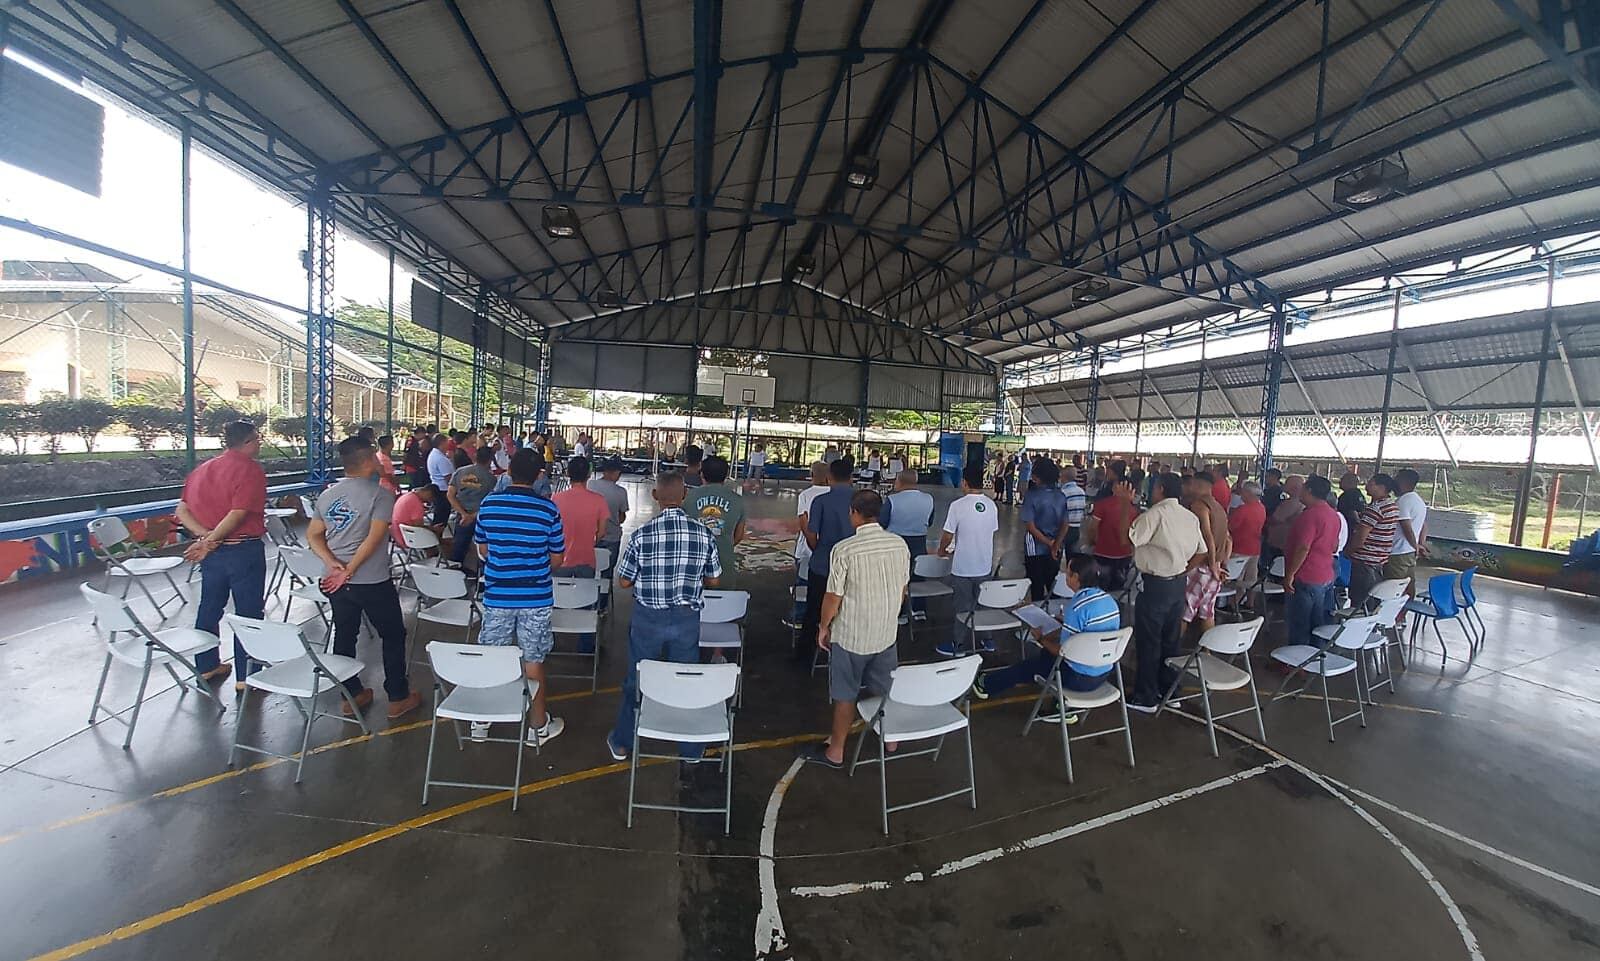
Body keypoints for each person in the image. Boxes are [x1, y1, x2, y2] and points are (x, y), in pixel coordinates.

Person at [606, 472, 722, 761]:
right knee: (685, 679)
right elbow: (714, 580)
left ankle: (623, 742)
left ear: (655, 497)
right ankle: (691, 747)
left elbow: (623, 582)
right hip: (686, 619)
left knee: (637, 678)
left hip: (648, 618)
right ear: (684, 497)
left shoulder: (642, 534)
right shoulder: (702, 533)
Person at [306, 436, 422, 719]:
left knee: (345, 634)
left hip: (334, 581)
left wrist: (334, 565)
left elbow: (313, 535)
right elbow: (373, 539)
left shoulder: (327, 494)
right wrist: (349, 569)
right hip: (371, 581)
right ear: (369, 459)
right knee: (392, 634)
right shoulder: (380, 494)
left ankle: (351, 694)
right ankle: (397, 696)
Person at [801, 490, 910, 768]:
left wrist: (823, 627)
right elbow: (902, 590)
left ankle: (836, 750)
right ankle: (890, 739)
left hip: (851, 636)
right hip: (886, 633)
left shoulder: (845, 549)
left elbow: (833, 597)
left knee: (845, 694)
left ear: (853, 513)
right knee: (883, 688)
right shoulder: (899, 545)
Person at [472, 448, 567, 744]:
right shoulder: (547, 510)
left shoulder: (489, 505)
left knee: (492, 658)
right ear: (540, 475)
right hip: (535, 597)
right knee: (533, 661)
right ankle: (537, 727)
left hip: (498, 595)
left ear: (508, 471)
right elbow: (558, 558)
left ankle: (481, 722)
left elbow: (484, 550)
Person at [176, 420, 268, 687]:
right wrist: (211, 539)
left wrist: (206, 539)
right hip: (242, 550)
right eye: (257, 438)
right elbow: (237, 513)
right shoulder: (250, 470)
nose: (260, 443)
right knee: (248, 613)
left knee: (209, 606)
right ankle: (248, 676)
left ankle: (207, 665)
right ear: (248, 442)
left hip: (213, 555)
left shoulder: (202, 469)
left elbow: (182, 510)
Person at [971, 555, 1121, 702]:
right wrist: (1064, 624)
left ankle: (986, 685)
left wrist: (1040, 639)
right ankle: (1063, 707)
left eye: (1066, 572)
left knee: (1027, 668)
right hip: (1103, 672)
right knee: (1045, 657)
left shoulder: (1077, 607)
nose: (1065, 575)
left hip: (1078, 678)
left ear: (1075, 577)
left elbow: (1062, 651)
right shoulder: (1109, 601)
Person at [1126, 473, 1207, 712]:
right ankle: (1171, 692)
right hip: (1177, 585)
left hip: (1156, 586)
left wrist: (1124, 504)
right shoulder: (1189, 516)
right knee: (1171, 641)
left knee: (1149, 641)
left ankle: (1146, 696)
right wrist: (1181, 569)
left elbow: (1129, 540)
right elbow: (1201, 551)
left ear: (1160, 489)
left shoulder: (1153, 515)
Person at [937, 464, 999, 657]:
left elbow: (948, 535)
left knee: (962, 607)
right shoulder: (991, 505)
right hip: (984, 565)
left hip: (963, 567)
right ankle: (987, 640)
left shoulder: (958, 506)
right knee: (983, 604)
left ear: (964, 482)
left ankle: (959, 644)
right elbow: (992, 532)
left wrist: (941, 550)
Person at [801, 459, 859, 654]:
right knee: (851, 610)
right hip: (855, 565)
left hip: (823, 564)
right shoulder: (862, 500)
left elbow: (811, 532)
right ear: (851, 478)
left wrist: (819, 550)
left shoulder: (821, 501)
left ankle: (806, 655)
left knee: (814, 611)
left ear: (829, 478)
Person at [1282, 475, 1343, 648]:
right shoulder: (1333, 515)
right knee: (1318, 621)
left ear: (1309, 491)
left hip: (1306, 575)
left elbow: (1303, 548)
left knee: (1299, 622)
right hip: (1325, 574)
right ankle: (1316, 655)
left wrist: (1290, 575)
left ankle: (1296, 662)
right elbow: (1334, 545)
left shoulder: (1309, 516)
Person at [1181, 471, 1232, 635]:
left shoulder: (1199, 506)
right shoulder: (1219, 508)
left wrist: (1211, 563)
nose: (1189, 488)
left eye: (1192, 484)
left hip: (1201, 566)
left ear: (1198, 485)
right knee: (1207, 613)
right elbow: (1229, 540)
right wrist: (1220, 563)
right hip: (1213, 569)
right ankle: (1207, 651)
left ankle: (1172, 652)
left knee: (1184, 613)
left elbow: (1206, 535)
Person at [686, 455, 747, 590]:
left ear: (702, 474)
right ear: (726, 476)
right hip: (724, 564)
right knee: (722, 604)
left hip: (692, 566)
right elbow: (739, 535)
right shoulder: (737, 500)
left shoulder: (688, 497)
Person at [882, 467, 935, 619]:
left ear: (899, 481)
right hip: (919, 542)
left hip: (896, 542)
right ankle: (919, 610)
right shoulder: (928, 499)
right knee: (918, 575)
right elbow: (930, 521)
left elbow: (883, 522)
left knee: (897, 578)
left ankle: (900, 612)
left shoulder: (892, 500)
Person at [1019, 459, 1070, 601]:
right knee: (1052, 582)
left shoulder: (1031, 496)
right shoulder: (1060, 496)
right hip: (1056, 548)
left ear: (1037, 477)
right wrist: (1056, 544)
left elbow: (1030, 526)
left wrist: (1048, 543)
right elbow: (1065, 523)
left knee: (1036, 584)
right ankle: (1052, 614)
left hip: (1034, 547)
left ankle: (1038, 616)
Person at [790, 462, 831, 631]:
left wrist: (812, 543)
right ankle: (825, 616)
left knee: (803, 583)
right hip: (828, 547)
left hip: (807, 546)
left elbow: (803, 522)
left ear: (811, 474)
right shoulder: (832, 494)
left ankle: (800, 616)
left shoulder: (806, 495)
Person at [1346, 473, 1399, 606]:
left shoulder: (1375, 508)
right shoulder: (1391, 505)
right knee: (1372, 597)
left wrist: (1349, 551)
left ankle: (1357, 624)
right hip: (1379, 560)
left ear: (1381, 487)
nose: (1367, 485)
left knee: (1360, 599)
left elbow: (1361, 537)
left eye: (1371, 483)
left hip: (1365, 561)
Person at [1083, 470, 1136, 591]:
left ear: (1116, 487)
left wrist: (1091, 543)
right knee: (1118, 588)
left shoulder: (1102, 505)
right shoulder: (1133, 509)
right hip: (1125, 554)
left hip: (1103, 553)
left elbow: (1092, 528)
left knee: (1100, 587)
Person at [447, 446, 496, 565]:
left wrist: (464, 514)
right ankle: (480, 575)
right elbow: (492, 502)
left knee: (459, 547)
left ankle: (454, 573)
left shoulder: (459, 472)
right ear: (490, 460)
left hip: (462, 516)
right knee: (483, 549)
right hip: (481, 517)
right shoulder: (491, 479)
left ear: (475, 456)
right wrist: (472, 516)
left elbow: (450, 495)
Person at [589, 456, 631, 587]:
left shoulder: (590, 485)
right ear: (616, 472)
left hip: (590, 537)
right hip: (611, 538)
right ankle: (602, 603)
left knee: (588, 572)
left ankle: (587, 601)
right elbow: (621, 518)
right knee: (606, 574)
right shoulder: (620, 492)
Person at [1387, 467, 1429, 591]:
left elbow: (1406, 527)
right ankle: (1404, 609)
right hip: (1409, 552)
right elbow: (1424, 525)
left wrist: (1415, 545)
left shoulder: (1403, 501)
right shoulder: (1418, 500)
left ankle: (1394, 611)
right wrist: (1420, 543)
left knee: (1394, 588)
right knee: (1408, 587)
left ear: (1403, 482)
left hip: (1398, 552)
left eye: (1396, 479)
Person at [1228, 480, 1267, 604]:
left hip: (1239, 548)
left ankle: (1233, 604)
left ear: (1248, 493)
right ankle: (1250, 603)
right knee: (1251, 579)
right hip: (1255, 548)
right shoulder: (1262, 508)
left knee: (1236, 579)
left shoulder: (1243, 510)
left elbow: (1230, 527)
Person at [390, 483, 442, 548]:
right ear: (428, 493)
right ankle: (435, 555)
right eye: (430, 499)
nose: (428, 501)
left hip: (396, 533)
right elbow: (418, 526)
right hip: (406, 538)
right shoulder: (416, 503)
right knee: (436, 537)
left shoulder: (407, 495)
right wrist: (433, 529)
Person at [1265, 474, 1305, 557]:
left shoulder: (1291, 503)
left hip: (1279, 544)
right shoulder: (1300, 502)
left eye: (1287, 483)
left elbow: (1275, 520)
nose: (1283, 485)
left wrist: (1261, 520)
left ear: (1294, 487)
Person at [426, 433, 454, 525]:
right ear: (441, 443)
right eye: (446, 442)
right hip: (443, 490)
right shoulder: (440, 458)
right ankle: (437, 536)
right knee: (441, 518)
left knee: (439, 515)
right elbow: (448, 477)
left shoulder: (434, 455)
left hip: (438, 488)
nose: (448, 445)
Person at [1061, 467, 1088, 552]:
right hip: (1076, 529)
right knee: (1072, 555)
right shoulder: (1081, 492)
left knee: (1057, 554)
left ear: (1064, 477)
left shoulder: (1062, 492)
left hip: (1063, 528)